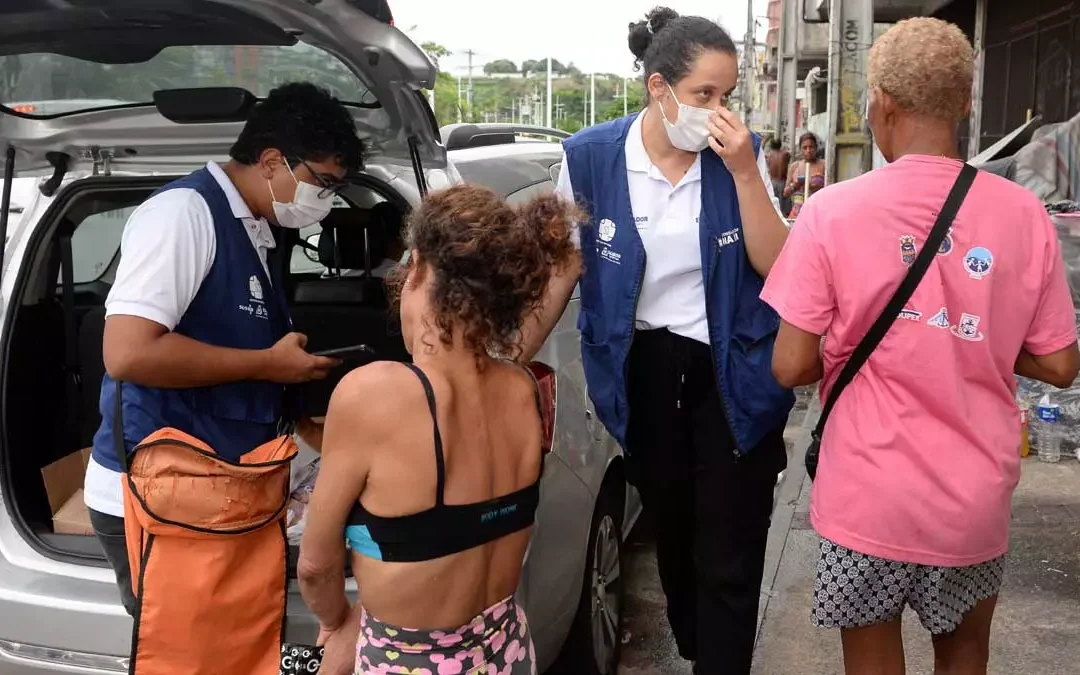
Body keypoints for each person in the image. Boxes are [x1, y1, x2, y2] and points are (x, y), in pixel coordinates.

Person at [761, 18, 1079, 675]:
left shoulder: (832, 211)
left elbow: (790, 363)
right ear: (966, 103)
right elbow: (1059, 362)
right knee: (964, 656)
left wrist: (875, 331)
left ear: (881, 105)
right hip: (971, 502)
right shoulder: (1023, 213)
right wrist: (975, 331)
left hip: (866, 497)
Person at [520, 7, 794, 674]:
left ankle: (721, 659)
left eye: (728, 96)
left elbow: (779, 263)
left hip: (728, 370)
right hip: (644, 368)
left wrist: (745, 175)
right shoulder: (589, 159)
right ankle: (700, 639)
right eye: (704, 95)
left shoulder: (740, 157)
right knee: (674, 532)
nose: (717, 111)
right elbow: (562, 268)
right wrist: (507, 355)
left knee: (730, 541)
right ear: (659, 89)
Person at [84, 81, 363, 616]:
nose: (325, 204)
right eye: (322, 184)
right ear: (272, 160)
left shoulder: (255, 229)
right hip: (156, 495)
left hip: (211, 487)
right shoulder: (185, 214)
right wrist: (268, 364)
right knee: (188, 655)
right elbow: (127, 354)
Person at [297, 184, 580, 675]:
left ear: (420, 271)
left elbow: (316, 566)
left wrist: (334, 624)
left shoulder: (373, 393)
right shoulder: (522, 390)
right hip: (507, 652)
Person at [783, 131, 825, 218]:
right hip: (797, 214)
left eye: (811, 147)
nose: (808, 150)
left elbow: (830, 189)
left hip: (817, 213)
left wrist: (813, 186)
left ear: (816, 147)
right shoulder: (794, 166)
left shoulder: (824, 165)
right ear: (800, 149)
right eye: (805, 148)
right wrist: (795, 185)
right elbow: (785, 193)